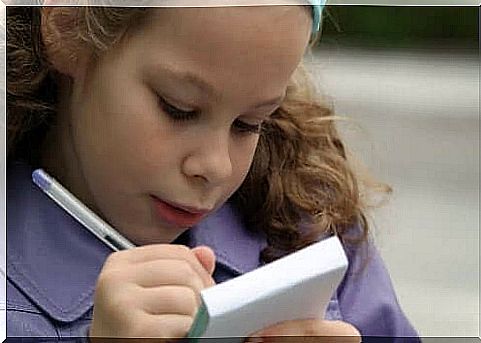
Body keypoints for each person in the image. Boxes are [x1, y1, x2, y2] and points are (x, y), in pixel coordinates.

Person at [6, 1, 420, 341]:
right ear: (67, 28)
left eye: (250, 123)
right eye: (179, 108)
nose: (216, 167)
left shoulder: (307, 225)